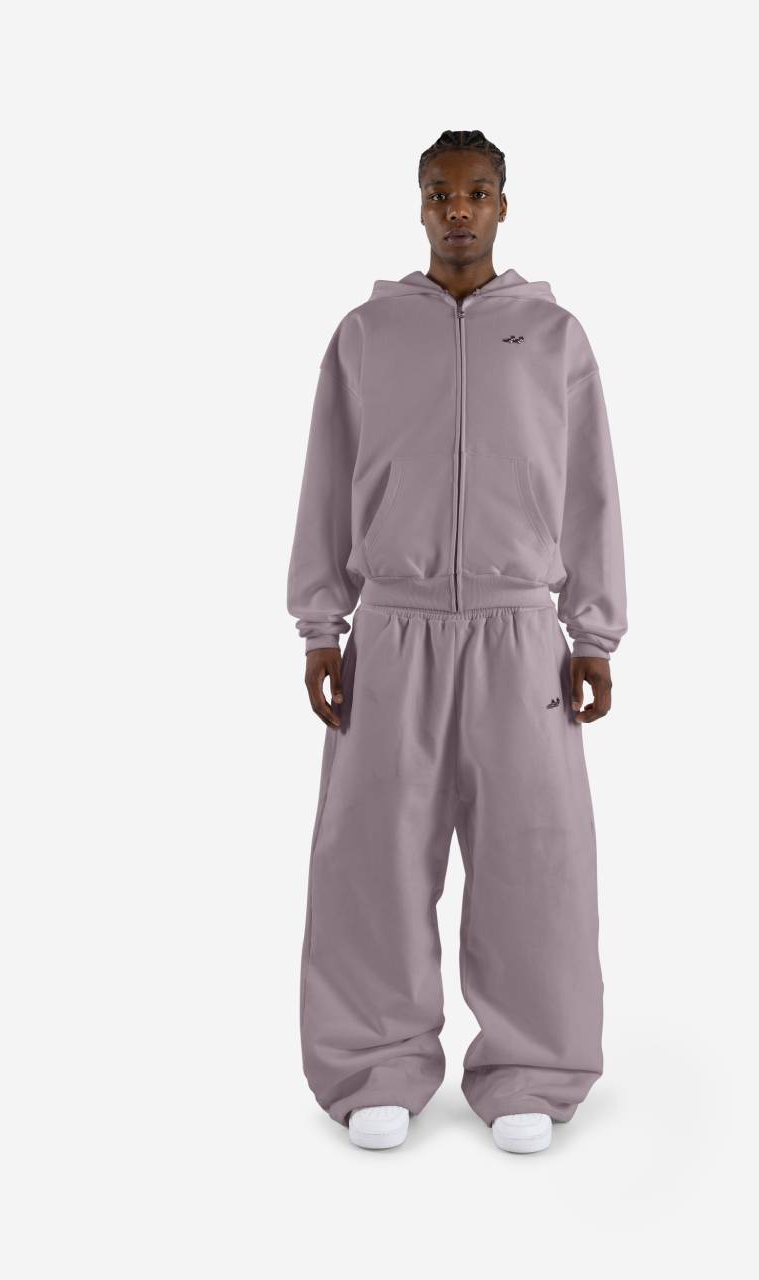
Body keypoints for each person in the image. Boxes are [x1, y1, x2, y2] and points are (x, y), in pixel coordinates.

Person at [286, 129, 628, 1154]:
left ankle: (532, 1064)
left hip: (520, 632)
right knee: (371, 855)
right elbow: (326, 477)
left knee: (536, 855)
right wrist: (321, 625)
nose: (459, 210)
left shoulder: (553, 335)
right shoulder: (366, 335)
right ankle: (373, 1061)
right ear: (420, 204)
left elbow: (590, 486)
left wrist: (593, 630)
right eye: (441, 193)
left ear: (503, 204)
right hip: (391, 629)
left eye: (477, 192)